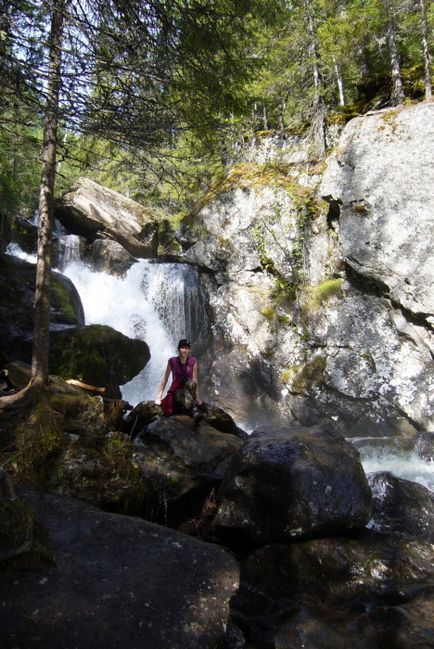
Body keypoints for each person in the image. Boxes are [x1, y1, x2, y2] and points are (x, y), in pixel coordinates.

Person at [155, 339, 203, 421]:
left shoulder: (193, 361)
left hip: (189, 390)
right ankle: (194, 411)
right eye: (183, 348)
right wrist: (158, 397)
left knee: (190, 383)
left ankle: (194, 410)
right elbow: (165, 379)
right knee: (183, 383)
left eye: (187, 348)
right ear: (178, 348)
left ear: (189, 350)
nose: (184, 350)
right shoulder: (172, 361)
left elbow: (195, 380)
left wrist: (198, 397)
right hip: (176, 391)